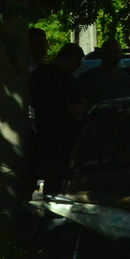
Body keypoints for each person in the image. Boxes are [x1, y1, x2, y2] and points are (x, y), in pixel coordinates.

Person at [30, 43, 86, 189]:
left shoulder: (38, 75)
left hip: (43, 133)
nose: (77, 67)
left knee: (47, 179)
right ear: (72, 60)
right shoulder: (67, 81)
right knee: (60, 182)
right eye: (77, 63)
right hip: (63, 139)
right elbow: (74, 110)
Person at [78, 38, 130, 104]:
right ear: (101, 54)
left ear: (121, 56)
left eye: (115, 52)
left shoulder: (128, 82)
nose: (111, 55)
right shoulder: (86, 79)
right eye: (108, 51)